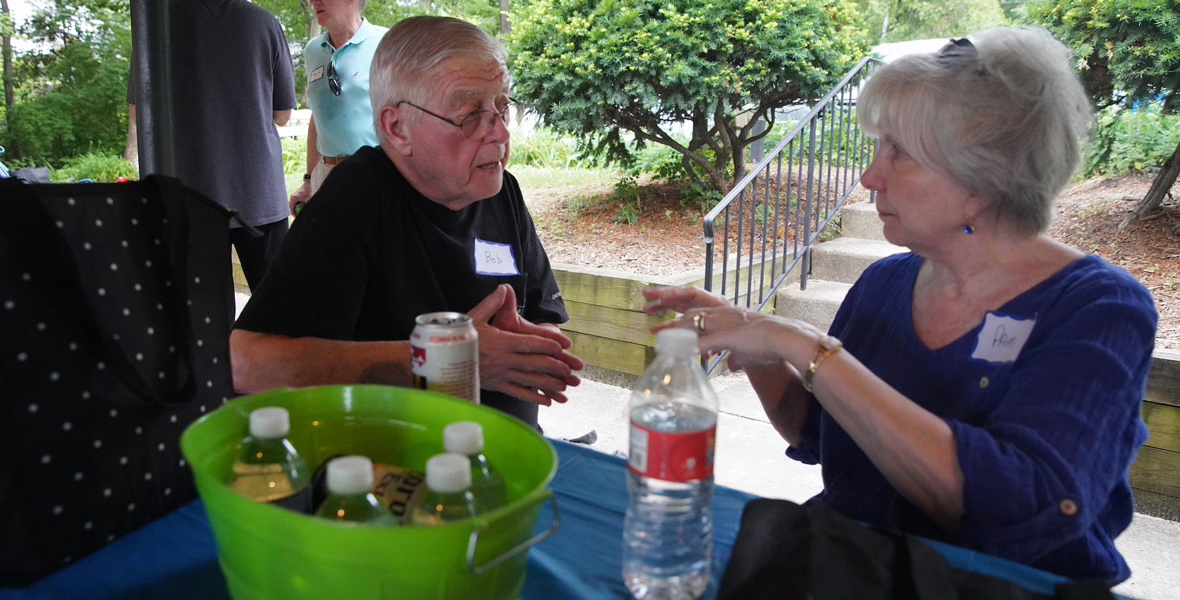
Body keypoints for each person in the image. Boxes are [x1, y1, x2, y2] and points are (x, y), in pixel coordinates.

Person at [643, 27, 1156, 583]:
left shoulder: (1099, 308)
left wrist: (803, 344)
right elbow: (817, 435)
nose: (869, 176)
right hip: (859, 570)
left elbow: (1021, 506)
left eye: (900, 153)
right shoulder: (884, 282)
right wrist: (761, 352)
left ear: (984, 178)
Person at [231, 16, 584, 427]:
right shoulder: (358, 198)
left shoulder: (501, 190)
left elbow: (543, 317)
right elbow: (247, 363)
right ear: (397, 128)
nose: (501, 134)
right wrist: (446, 360)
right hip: (395, 456)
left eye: (501, 107)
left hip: (504, 448)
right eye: (469, 114)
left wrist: (534, 347)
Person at [128, 0, 296, 292]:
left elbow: (138, 114)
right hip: (259, 192)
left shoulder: (156, 24)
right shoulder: (263, 22)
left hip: (189, 197)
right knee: (278, 308)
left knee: (207, 313)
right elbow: (282, 115)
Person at [287, 0, 387, 216]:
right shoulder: (313, 50)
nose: (313, 1)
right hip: (326, 176)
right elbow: (318, 118)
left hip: (375, 174)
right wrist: (309, 181)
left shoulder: (386, 44)